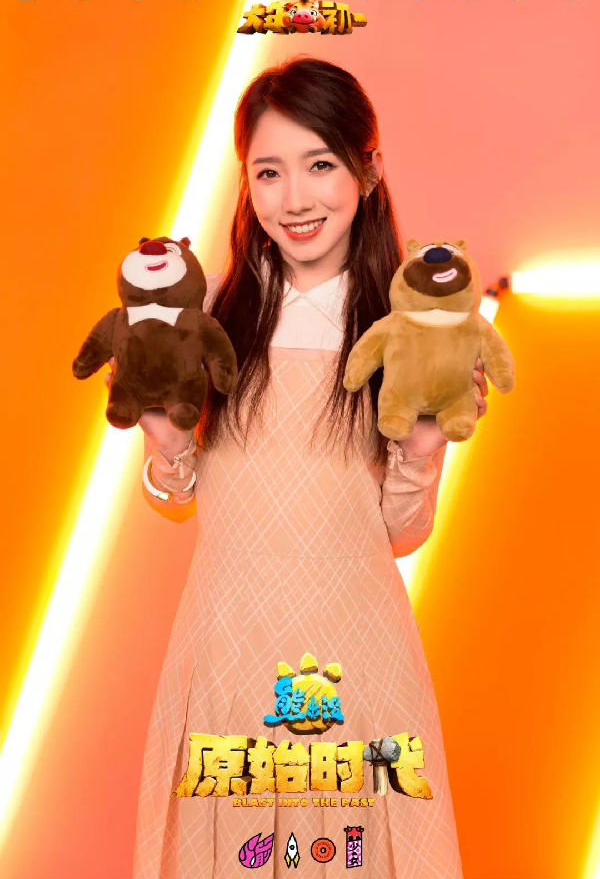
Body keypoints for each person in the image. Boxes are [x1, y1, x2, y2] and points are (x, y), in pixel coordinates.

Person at [130, 55, 487, 879]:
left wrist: (423, 448)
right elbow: (175, 496)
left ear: (369, 168)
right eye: (269, 172)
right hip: (227, 649)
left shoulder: (404, 328)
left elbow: (398, 533)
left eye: (320, 164)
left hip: (356, 657)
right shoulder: (212, 314)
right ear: (247, 184)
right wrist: (164, 437)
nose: (294, 198)